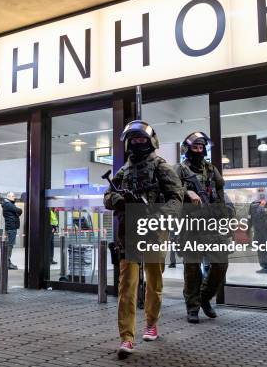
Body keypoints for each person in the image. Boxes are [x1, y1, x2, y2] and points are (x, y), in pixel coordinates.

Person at [103, 120, 183, 359]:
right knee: (126, 286)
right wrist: (119, 201)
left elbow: (176, 199)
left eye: (142, 139)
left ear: (151, 142)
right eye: (134, 140)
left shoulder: (161, 167)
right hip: (129, 234)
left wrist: (157, 215)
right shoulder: (123, 170)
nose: (138, 143)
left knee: (154, 283)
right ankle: (127, 338)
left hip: (155, 233)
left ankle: (151, 322)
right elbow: (108, 196)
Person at [173, 131, 229, 324]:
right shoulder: (179, 170)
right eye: (195, 147)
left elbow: (220, 193)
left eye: (201, 147)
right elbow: (168, 190)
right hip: (190, 226)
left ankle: (205, 297)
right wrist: (186, 191)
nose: (199, 150)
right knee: (192, 268)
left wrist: (225, 217)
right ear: (187, 150)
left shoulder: (211, 169)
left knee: (221, 264)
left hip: (212, 224)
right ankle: (193, 307)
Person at [2, 192, 22, 270]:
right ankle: (7, 263)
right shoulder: (8, 204)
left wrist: (17, 212)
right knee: (10, 245)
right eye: (13, 196)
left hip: (11, 227)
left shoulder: (8, 204)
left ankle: (7, 262)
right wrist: (17, 212)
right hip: (11, 228)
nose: (14, 197)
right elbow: (19, 210)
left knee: (10, 245)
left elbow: (18, 212)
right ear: (8, 197)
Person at [250, 199, 267, 274]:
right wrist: (248, 227)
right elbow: (250, 217)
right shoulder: (253, 203)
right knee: (261, 249)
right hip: (258, 230)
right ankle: (264, 268)